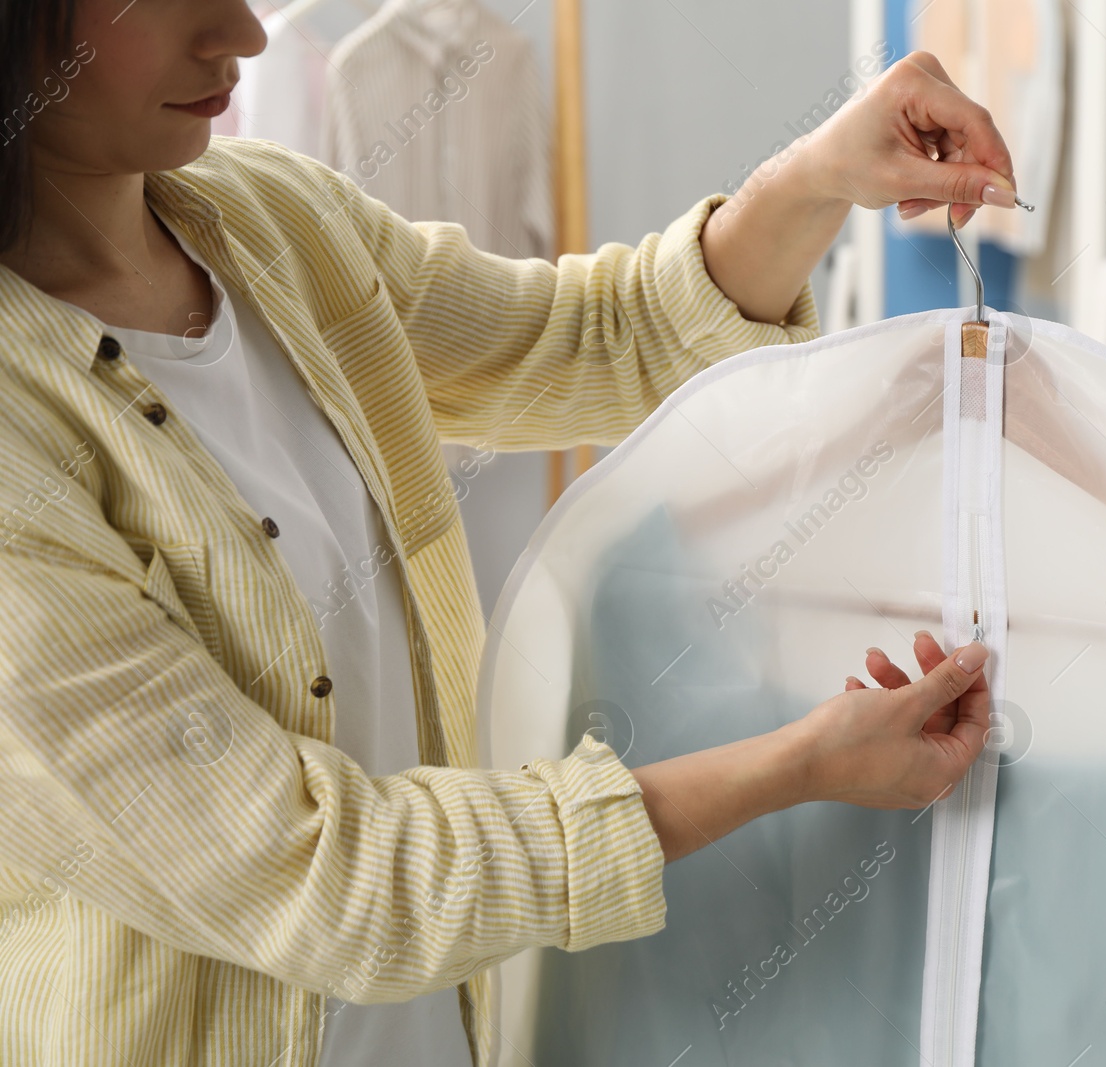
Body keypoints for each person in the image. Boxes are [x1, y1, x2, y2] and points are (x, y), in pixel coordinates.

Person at [0, 1, 1017, 1063]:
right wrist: (790, 767)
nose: (243, 37)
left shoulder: (271, 223)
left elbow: (594, 342)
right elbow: (329, 879)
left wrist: (810, 179)